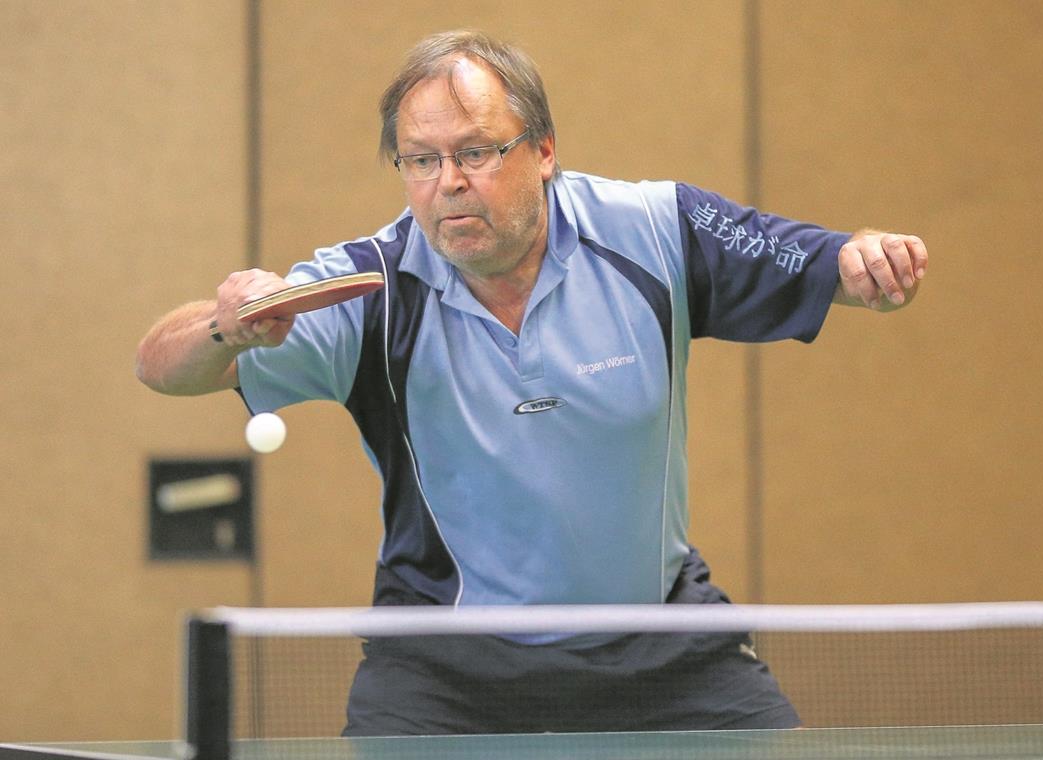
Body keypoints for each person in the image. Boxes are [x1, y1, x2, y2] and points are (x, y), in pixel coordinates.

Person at [136, 30, 928, 735]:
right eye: (421, 159)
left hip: (661, 647)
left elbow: (819, 262)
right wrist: (223, 326)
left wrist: (864, 262)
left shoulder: (655, 231)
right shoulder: (367, 287)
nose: (447, 181)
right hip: (445, 666)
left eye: (476, 152)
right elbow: (160, 366)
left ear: (543, 150)